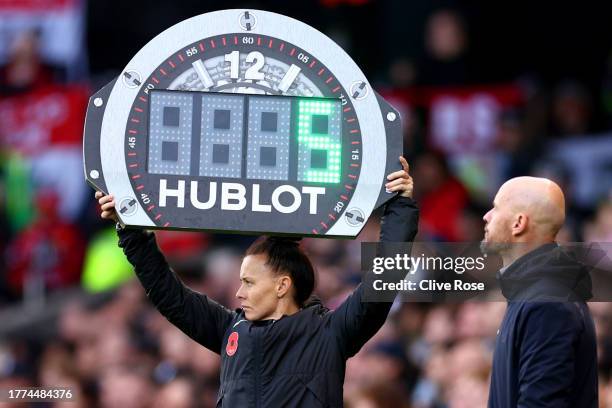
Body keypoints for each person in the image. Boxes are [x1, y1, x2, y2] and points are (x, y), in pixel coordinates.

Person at [95, 157, 418, 407]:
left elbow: (385, 278)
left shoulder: (331, 334)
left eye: (249, 282)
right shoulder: (228, 331)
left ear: (282, 286)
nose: (238, 292)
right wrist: (130, 230)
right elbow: (168, 294)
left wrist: (400, 204)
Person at [481, 176, 597, 407]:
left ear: (518, 223)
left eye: (495, 208)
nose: (486, 216)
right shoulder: (534, 294)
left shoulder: (547, 302)